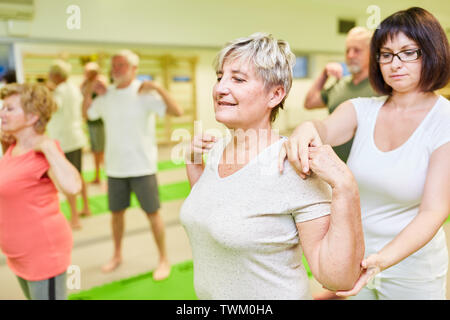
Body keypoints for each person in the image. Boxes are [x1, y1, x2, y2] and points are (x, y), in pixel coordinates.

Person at [280, 7, 450, 300]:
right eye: (385, 54)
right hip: (354, 258)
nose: (394, 63)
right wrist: (307, 127)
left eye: (408, 52)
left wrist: (380, 261)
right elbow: (323, 127)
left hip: (412, 269)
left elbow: (433, 212)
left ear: (432, 53)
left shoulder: (444, 120)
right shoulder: (361, 109)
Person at [179, 33, 364, 299]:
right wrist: (193, 164)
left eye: (238, 79)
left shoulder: (293, 166)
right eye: (220, 76)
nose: (220, 88)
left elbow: (337, 278)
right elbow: (215, 214)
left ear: (275, 94)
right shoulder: (217, 149)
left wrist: (346, 187)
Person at [86, 49, 183, 280]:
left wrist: (157, 87)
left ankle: (163, 258)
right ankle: (117, 254)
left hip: (142, 167)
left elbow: (177, 111)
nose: (115, 69)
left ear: (133, 69)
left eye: (121, 64)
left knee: (153, 214)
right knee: (116, 215)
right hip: (115, 169)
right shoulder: (106, 94)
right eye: (114, 65)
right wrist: (88, 92)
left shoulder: (143, 92)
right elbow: (88, 115)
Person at [0, 83, 81, 300]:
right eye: (2, 107)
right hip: (20, 255)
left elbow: (73, 187)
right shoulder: (13, 147)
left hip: (43, 255)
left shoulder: (45, 149)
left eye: (9, 108)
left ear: (32, 116)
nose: (2, 113)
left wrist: (47, 147)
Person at [304, 27, 377, 163]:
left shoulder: (381, 87)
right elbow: (309, 103)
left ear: (372, 53)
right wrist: (324, 74)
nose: (350, 55)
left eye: (357, 50)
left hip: (366, 169)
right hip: (333, 166)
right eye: (347, 50)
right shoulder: (340, 84)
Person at [46, 60, 91, 229]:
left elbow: (54, 107)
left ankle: (74, 218)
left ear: (56, 75)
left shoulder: (59, 91)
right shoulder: (73, 88)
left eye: (50, 74)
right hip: (75, 137)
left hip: (65, 141)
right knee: (78, 174)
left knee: (68, 179)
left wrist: (47, 93)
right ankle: (85, 207)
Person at [81, 62, 107, 184]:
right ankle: (99, 175)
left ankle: (104, 175)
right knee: (96, 150)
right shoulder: (87, 84)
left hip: (99, 122)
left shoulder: (99, 83)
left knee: (100, 150)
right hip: (92, 121)